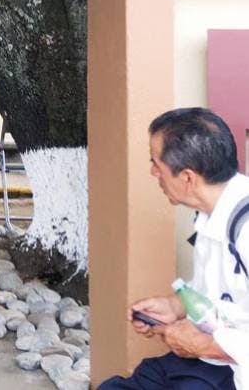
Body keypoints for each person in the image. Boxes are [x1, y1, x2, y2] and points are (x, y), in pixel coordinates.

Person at [99, 108, 249, 390]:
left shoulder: (244, 228)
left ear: (188, 178)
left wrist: (203, 346)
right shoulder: (209, 214)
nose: (153, 172)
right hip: (209, 362)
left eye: (156, 163)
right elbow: (221, 295)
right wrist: (175, 306)